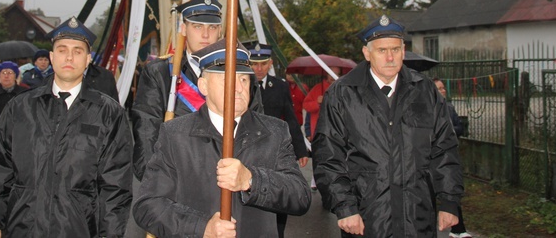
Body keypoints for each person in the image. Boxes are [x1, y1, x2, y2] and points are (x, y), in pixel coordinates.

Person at [133, 39, 311, 238]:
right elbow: (147, 205)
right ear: (204, 85)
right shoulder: (175, 135)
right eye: (226, 79)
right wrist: (201, 227)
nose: (237, 88)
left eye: (243, 79)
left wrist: (252, 180)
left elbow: (300, 197)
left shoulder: (274, 132)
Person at [0, 17, 133, 237]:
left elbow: (115, 186)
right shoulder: (20, 108)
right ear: (51, 57)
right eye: (62, 50)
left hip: (79, 229)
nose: (69, 57)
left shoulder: (108, 113)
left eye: (77, 51)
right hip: (22, 226)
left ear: (88, 59)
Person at [312, 15, 464, 237]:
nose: (390, 57)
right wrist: (344, 207)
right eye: (382, 50)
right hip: (367, 218)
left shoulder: (425, 91)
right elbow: (328, 155)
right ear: (367, 53)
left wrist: (450, 200)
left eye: (395, 49)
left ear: (404, 50)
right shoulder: (343, 94)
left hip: (417, 216)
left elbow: (445, 148)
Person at [130, 0, 224, 181]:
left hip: (224, 179)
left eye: (212, 27)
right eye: (197, 26)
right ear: (183, 28)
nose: (205, 35)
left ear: (220, 31)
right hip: (175, 179)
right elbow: (147, 131)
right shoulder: (161, 73)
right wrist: (155, 182)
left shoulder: (238, 75)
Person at [246, 42, 309, 237]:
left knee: (278, 197)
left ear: (270, 63)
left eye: (263, 64)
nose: (259, 69)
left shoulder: (280, 86)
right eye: (254, 64)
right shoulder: (241, 84)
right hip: (249, 151)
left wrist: (300, 150)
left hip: (275, 151)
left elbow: (290, 118)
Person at [434, 78, 472, 238]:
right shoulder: (427, 108)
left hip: (448, 153)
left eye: (443, 88)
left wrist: (449, 130)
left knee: (451, 190)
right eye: (439, 88)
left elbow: (459, 127)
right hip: (432, 157)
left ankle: (459, 229)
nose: (442, 91)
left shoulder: (449, 107)